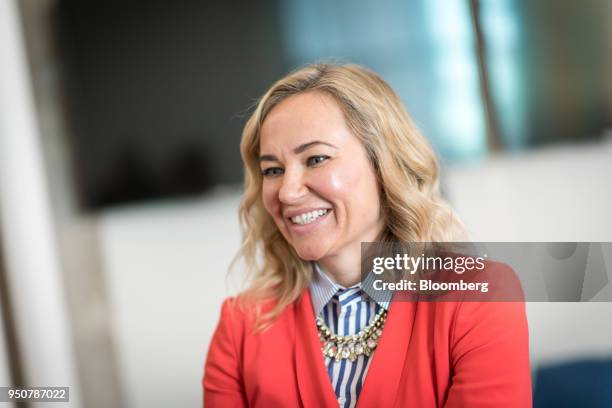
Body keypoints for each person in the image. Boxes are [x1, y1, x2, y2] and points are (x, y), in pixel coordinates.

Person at [202, 63, 531, 407]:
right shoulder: (240, 325)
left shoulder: (479, 295)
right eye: (272, 170)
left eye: (316, 159)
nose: (286, 192)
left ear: (383, 164)